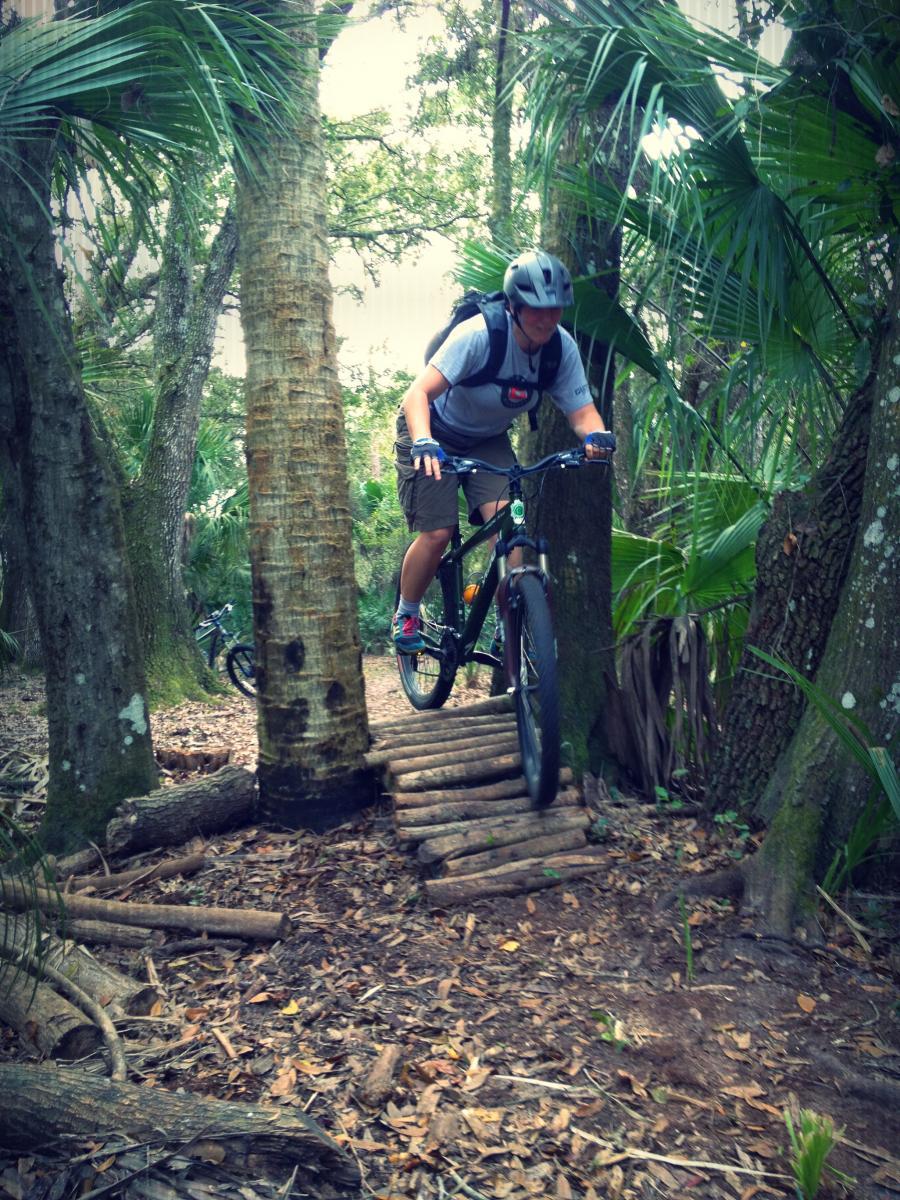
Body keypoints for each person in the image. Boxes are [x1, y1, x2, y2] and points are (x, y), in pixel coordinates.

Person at [392, 249, 615, 653]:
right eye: (535, 310)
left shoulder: (560, 350)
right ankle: (407, 611)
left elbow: (582, 411)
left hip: (487, 440)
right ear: (513, 307)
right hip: (431, 430)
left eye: (555, 309)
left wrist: (595, 437)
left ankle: (508, 620)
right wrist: (423, 440)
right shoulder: (479, 335)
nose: (546, 319)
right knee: (439, 531)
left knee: (513, 529)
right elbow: (417, 395)